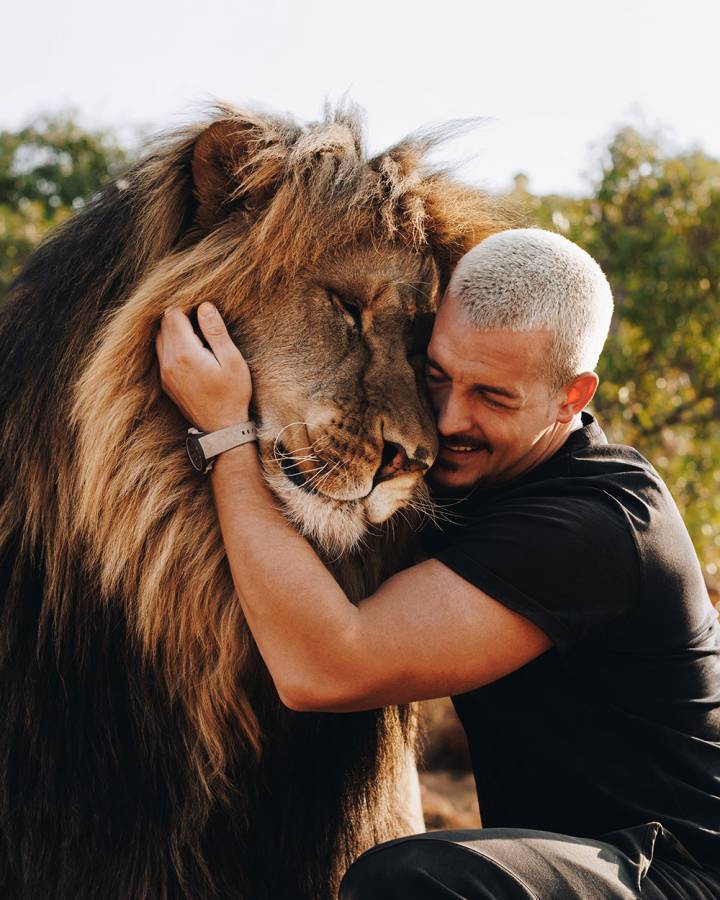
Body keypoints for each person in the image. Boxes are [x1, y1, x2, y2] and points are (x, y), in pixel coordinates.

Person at [156, 229, 720, 898]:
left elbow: (323, 669)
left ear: (571, 397)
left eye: (494, 397)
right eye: (438, 376)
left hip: (680, 876)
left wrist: (225, 433)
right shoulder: (490, 483)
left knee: (410, 880)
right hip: (584, 862)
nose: (447, 421)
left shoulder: (595, 525)